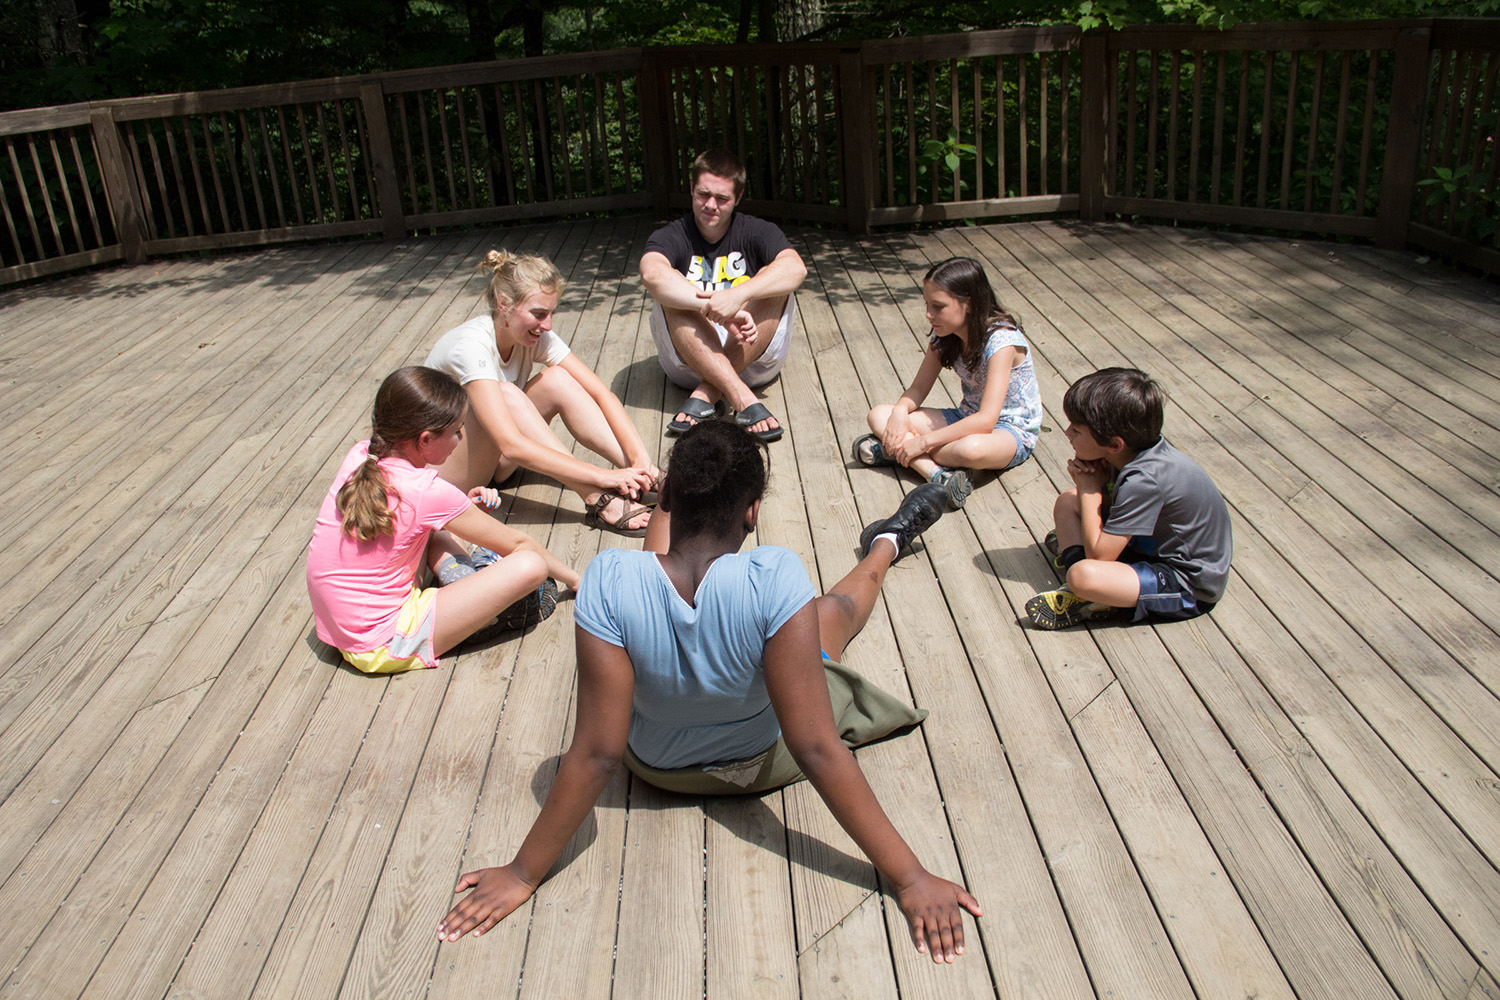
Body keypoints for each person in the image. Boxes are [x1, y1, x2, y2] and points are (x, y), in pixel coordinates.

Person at [437, 421, 982, 962]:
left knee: (653, 578)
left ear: (666, 498)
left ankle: (709, 521)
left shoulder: (607, 579)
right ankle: (886, 544)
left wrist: (522, 873)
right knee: (830, 613)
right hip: (761, 761)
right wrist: (910, 878)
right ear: (753, 512)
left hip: (657, 766)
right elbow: (816, 747)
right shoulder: (776, 575)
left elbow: (599, 753)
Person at [306, 366, 582, 674]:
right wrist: (575, 580)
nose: (460, 439)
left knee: (436, 531)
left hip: (338, 627)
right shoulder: (425, 490)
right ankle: (481, 609)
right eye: (456, 431)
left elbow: (407, 517)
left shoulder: (361, 456)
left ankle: (462, 582)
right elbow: (521, 544)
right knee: (532, 566)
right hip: (382, 643)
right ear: (425, 439)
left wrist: (463, 508)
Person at [426, 250, 661, 537]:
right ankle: (595, 497)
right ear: (504, 304)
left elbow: (602, 395)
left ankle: (649, 479)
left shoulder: (531, 334)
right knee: (508, 395)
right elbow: (510, 445)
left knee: (557, 379)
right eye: (538, 314)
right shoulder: (471, 346)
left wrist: (639, 459)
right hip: (446, 473)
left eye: (550, 314)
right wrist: (602, 477)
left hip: (494, 462)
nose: (547, 325)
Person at [1025, 367, 1232, 630]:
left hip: (1186, 582)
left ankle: (1087, 593)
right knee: (1068, 502)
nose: (1067, 433)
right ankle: (1100, 589)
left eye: (1076, 429)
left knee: (1082, 574)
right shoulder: (1129, 454)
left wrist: (1089, 488)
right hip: (1147, 547)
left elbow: (1098, 558)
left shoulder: (1145, 480)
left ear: (1114, 444)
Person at [640, 148, 808, 444]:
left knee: (775, 280)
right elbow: (651, 274)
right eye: (703, 194)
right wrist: (715, 307)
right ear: (691, 189)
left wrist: (739, 295)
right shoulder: (672, 235)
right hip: (689, 363)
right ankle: (741, 396)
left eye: (722, 198)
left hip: (753, 360)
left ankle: (708, 392)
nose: (710, 205)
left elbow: (796, 269)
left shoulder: (757, 231)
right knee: (670, 288)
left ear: (738, 197)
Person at [853, 257, 1042, 511]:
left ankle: (896, 452)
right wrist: (899, 411)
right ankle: (937, 475)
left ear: (969, 304)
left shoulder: (1002, 342)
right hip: (966, 417)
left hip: (1009, 430)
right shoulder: (944, 335)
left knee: (970, 450)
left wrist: (923, 442)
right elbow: (918, 388)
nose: (928, 314)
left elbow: (987, 420)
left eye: (938, 306)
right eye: (927, 304)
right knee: (880, 415)